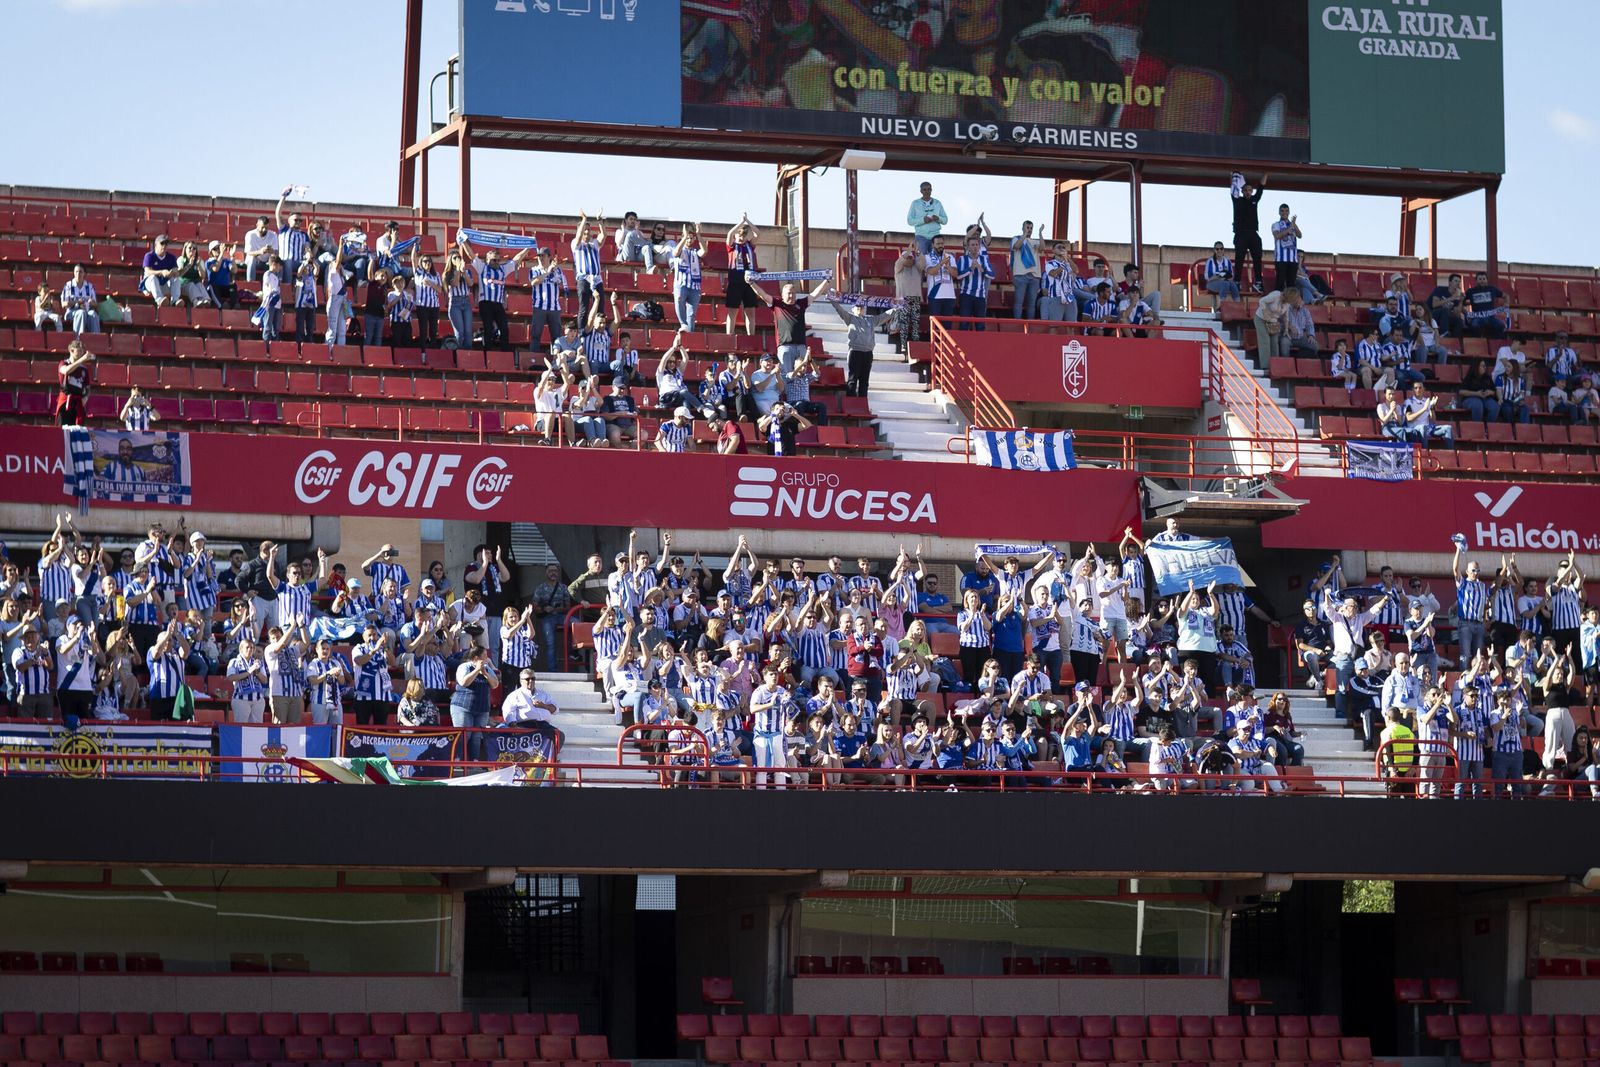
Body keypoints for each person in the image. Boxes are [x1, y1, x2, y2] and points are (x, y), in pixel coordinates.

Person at [756, 274, 832, 374]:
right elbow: (763, 295)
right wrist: (752, 283)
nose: (791, 295)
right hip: (785, 347)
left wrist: (827, 281)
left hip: (801, 347)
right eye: (788, 293)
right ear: (782, 295)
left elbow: (815, 294)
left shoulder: (801, 303)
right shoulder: (777, 305)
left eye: (793, 293)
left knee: (802, 376)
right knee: (787, 377)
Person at [450, 644, 498, 766]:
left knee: (477, 736)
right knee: (464, 735)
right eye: (484, 656)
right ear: (476, 658)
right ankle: (457, 761)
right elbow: (463, 682)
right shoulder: (464, 666)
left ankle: (474, 762)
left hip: (482, 709)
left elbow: (495, 684)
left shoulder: (487, 668)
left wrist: (486, 673)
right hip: (463, 707)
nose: (487, 659)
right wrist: (477, 670)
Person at [724, 214, 762, 335]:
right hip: (735, 281)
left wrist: (747, 221)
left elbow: (758, 234)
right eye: (739, 235)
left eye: (744, 235)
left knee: (750, 311)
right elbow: (729, 234)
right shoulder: (731, 246)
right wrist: (740, 222)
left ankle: (751, 337)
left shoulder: (749, 245)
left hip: (749, 282)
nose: (741, 238)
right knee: (732, 311)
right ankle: (729, 337)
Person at [1229, 172, 1267, 293]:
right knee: (1239, 258)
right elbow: (1233, 188)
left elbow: (1261, 187)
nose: (1247, 192)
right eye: (1245, 190)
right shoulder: (1237, 200)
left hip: (1253, 233)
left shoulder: (1255, 200)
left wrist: (1267, 172)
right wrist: (1232, 177)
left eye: (1250, 190)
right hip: (1241, 233)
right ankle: (1237, 281)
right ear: (1242, 191)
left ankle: (1259, 282)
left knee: (1257, 258)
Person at [571, 212, 606, 328]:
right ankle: (582, 333)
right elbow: (579, 235)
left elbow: (603, 235)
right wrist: (584, 219)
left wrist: (599, 221)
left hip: (597, 279)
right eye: (584, 230)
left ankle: (599, 331)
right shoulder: (576, 244)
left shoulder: (594, 243)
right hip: (583, 278)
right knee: (584, 308)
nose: (586, 233)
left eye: (588, 230)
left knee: (600, 307)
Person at [891, 237, 924, 352]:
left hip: (915, 298)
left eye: (911, 257)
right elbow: (900, 261)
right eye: (908, 257)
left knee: (915, 323)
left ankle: (915, 344)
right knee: (904, 323)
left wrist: (917, 251)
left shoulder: (917, 267)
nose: (910, 259)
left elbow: (922, 263)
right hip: (903, 299)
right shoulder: (898, 268)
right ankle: (904, 345)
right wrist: (909, 250)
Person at [953, 235, 994, 327]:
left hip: (980, 297)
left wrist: (981, 268)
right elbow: (958, 276)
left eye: (976, 244)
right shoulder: (962, 259)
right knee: (964, 324)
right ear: (968, 247)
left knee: (980, 325)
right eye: (972, 245)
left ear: (979, 246)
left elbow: (992, 275)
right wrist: (970, 269)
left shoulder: (984, 259)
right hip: (966, 296)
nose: (975, 247)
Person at [669, 224, 704, 331]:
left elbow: (704, 251)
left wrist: (699, 235)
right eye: (687, 238)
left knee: (692, 313)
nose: (689, 240)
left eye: (691, 238)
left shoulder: (695, 251)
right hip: (681, 283)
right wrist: (684, 237)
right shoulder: (679, 248)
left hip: (694, 286)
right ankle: (683, 324)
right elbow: (675, 253)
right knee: (679, 301)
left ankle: (690, 333)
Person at [54, 341, 94, 427]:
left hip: (78, 401)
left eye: (82, 351)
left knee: (77, 428)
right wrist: (81, 360)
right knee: (62, 429)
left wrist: (85, 398)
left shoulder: (84, 369)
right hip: (66, 400)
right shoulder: (64, 363)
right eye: (78, 351)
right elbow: (66, 371)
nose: (81, 353)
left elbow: (87, 387)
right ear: (71, 350)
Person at [1009, 221, 1041, 319]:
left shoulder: (1035, 241)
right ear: (1022, 228)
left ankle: (1030, 326)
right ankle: (1017, 324)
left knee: (1032, 303)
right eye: (1027, 227)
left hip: (1034, 276)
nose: (1029, 230)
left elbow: (1043, 247)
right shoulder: (1016, 238)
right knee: (1019, 301)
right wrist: (1024, 235)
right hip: (1020, 275)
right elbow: (1016, 246)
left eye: (1031, 228)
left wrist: (1040, 234)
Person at [1040, 243, 1079, 322]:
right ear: (1053, 251)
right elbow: (1054, 274)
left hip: (1070, 297)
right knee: (1054, 326)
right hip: (1056, 296)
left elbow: (1076, 271)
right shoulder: (1050, 264)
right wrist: (1063, 264)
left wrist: (1067, 259)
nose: (1062, 248)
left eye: (1063, 247)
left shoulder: (1069, 263)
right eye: (1059, 247)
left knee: (1071, 326)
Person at [923, 234, 958, 320]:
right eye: (938, 244)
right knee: (935, 324)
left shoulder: (950, 257)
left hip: (950, 296)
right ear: (932, 245)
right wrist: (941, 263)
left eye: (942, 243)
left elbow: (956, 274)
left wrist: (948, 266)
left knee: (947, 326)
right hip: (934, 295)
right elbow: (931, 271)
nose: (940, 246)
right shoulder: (927, 257)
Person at [906, 181, 947, 254]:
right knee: (921, 260)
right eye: (924, 189)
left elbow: (945, 220)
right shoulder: (915, 203)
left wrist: (938, 218)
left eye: (928, 189)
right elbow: (910, 221)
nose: (926, 191)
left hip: (935, 237)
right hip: (921, 236)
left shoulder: (937, 203)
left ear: (931, 190)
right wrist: (923, 220)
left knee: (936, 259)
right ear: (921, 191)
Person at [1270, 202, 1302, 293]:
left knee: (1291, 285)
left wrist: (1294, 224)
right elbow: (1277, 236)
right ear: (1279, 212)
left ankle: (1290, 305)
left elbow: (1300, 235)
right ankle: (1277, 304)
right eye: (1282, 211)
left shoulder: (1292, 225)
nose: (1284, 213)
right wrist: (1289, 229)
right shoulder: (1276, 224)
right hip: (1281, 259)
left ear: (1289, 212)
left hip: (1293, 259)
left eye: (1286, 211)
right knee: (1280, 283)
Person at [1463, 270, 1506, 337]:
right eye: (1480, 279)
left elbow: (1506, 296)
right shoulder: (1470, 291)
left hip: (1490, 317)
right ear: (1476, 280)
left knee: (1501, 325)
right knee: (1474, 325)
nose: (1482, 281)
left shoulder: (1492, 289)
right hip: (1477, 317)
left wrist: (1506, 304)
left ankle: (1494, 343)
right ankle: (1478, 343)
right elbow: (1461, 300)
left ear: (1486, 280)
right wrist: (1465, 310)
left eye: (1484, 279)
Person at [61, 265, 100, 335]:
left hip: (87, 311)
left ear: (84, 273)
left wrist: (92, 302)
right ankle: (78, 340)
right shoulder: (68, 285)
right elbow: (63, 304)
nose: (78, 274)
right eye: (76, 272)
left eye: (80, 272)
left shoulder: (89, 286)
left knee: (93, 314)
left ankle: (95, 340)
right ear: (74, 273)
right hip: (71, 312)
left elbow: (95, 304)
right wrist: (77, 302)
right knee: (81, 313)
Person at [1202, 241, 1240, 307]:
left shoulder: (1227, 261)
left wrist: (1223, 276)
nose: (1219, 250)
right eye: (1217, 249)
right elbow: (1207, 277)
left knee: (1233, 284)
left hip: (1226, 283)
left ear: (1223, 250)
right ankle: (1222, 306)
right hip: (1211, 284)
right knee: (1224, 283)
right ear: (1214, 250)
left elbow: (1231, 276)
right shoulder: (1210, 261)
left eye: (1221, 249)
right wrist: (1219, 276)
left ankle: (1238, 306)